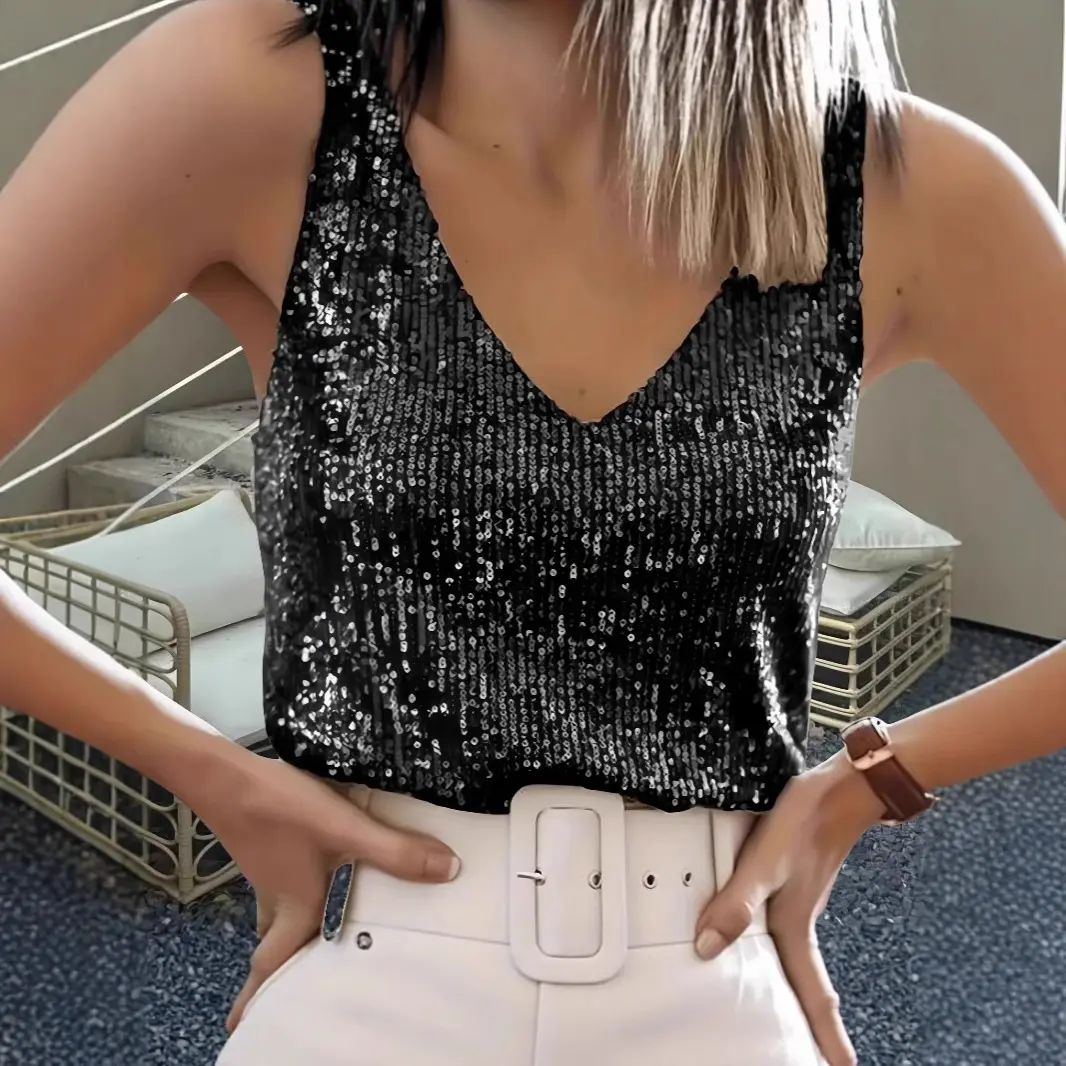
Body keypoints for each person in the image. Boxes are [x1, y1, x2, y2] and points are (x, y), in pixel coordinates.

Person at [0, 0, 1063, 1062]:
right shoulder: (252, 93)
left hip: (711, 978)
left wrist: (875, 776)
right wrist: (207, 768)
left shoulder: (904, 180)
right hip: (369, 975)